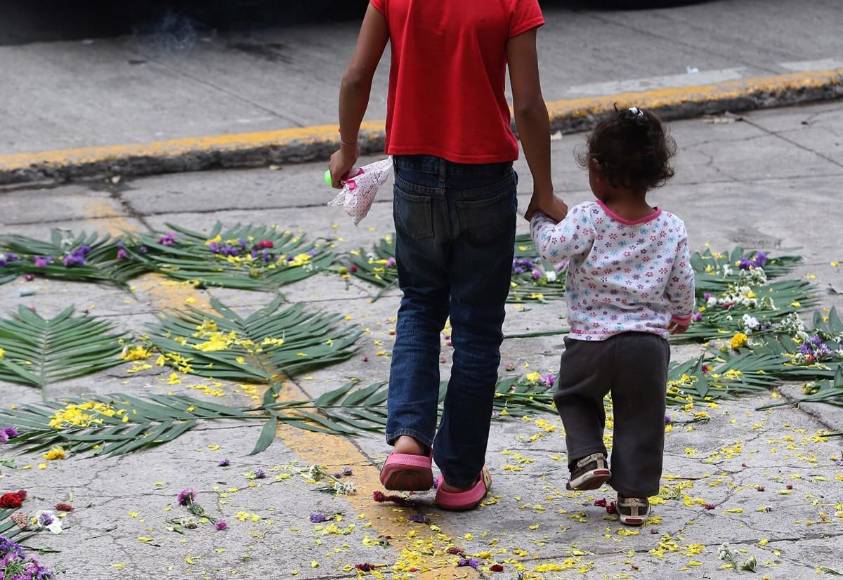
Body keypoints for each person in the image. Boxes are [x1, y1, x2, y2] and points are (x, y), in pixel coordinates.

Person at [329, 0, 566, 511]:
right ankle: (459, 477)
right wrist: (544, 188)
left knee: (420, 305)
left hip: (414, 175)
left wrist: (347, 149)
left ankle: (410, 443)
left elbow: (356, 77)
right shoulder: (513, 2)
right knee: (477, 329)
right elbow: (527, 104)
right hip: (484, 181)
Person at [529, 107, 695, 526]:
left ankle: (587, 458)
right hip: (647, 347)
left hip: (590, 343)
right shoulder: (671, 228)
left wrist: (538, 218)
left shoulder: (587, 217)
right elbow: (682, 279)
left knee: (575, 397)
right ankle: (634, 498)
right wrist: (682, 313)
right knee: (641, 416)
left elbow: (552, 249)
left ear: (598, 172)